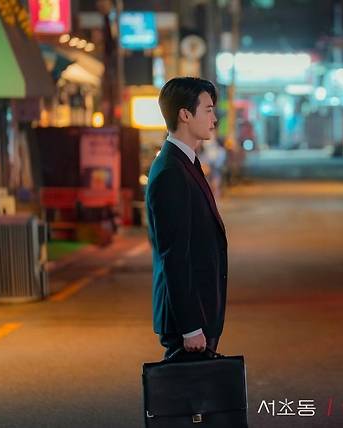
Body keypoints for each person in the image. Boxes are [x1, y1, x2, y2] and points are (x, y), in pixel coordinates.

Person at [145, 77, 228, 358]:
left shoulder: (185, 162)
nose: (214, 119)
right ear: (185, 114)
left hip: (200, 312)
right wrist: (190, 326)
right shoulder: (171, 171)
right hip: (187, 322)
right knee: (188, 386)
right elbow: (174, 254)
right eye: (208, 110)